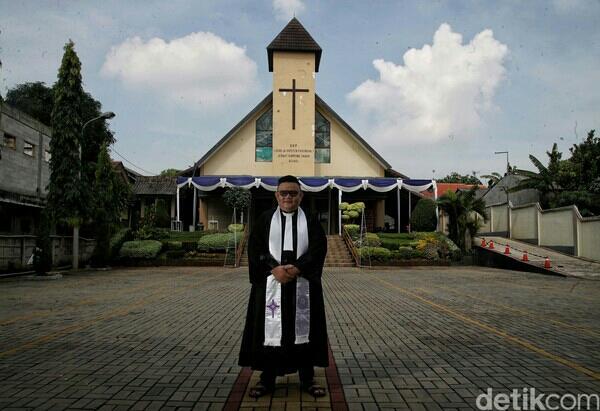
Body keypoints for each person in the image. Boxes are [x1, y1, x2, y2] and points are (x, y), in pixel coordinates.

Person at [238, 175, 329, 398]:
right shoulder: (265, 219)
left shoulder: (311, 219)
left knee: (304, 329)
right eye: (284, 193)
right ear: (276, 195)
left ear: (301, 195)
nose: (288, 197)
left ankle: (307, 378)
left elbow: (318, 248)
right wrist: (273, 268)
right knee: (269, 329)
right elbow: (255, 248)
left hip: (302, 283)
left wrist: (298, 268)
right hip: (272, 284)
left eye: (293, 193)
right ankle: (266, 379)